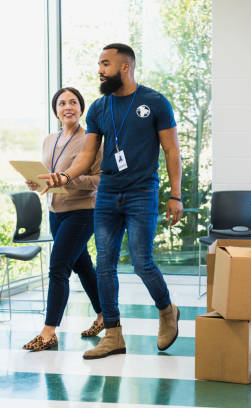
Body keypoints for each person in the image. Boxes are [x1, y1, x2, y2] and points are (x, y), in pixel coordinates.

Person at [39, 43, 184, 359]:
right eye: (99, 64)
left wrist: (176, 195)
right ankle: (114, 335)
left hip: (141, 193)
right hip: (106, 195)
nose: (100, 70)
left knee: (141, 261)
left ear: (125, 67)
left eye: (105, 63)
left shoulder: (154, 102)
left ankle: (167, 310)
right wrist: (64, 177)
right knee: (104, 264)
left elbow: (172, 150)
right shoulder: (99, 108)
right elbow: (88, 154)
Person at [22, 87, 104, 352]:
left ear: (81, 108)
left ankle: (48, 332)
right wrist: (38, 182)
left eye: (72, 102)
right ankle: (105, 316)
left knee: (58, 268)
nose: (67, 107)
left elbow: (101, 179)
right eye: (61, 103)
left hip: (83, 211)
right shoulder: (49, 140)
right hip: (56, 211)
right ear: (55, 110)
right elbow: (51, 175)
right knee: (82, 266)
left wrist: (69, 180)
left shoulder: (92, 140)